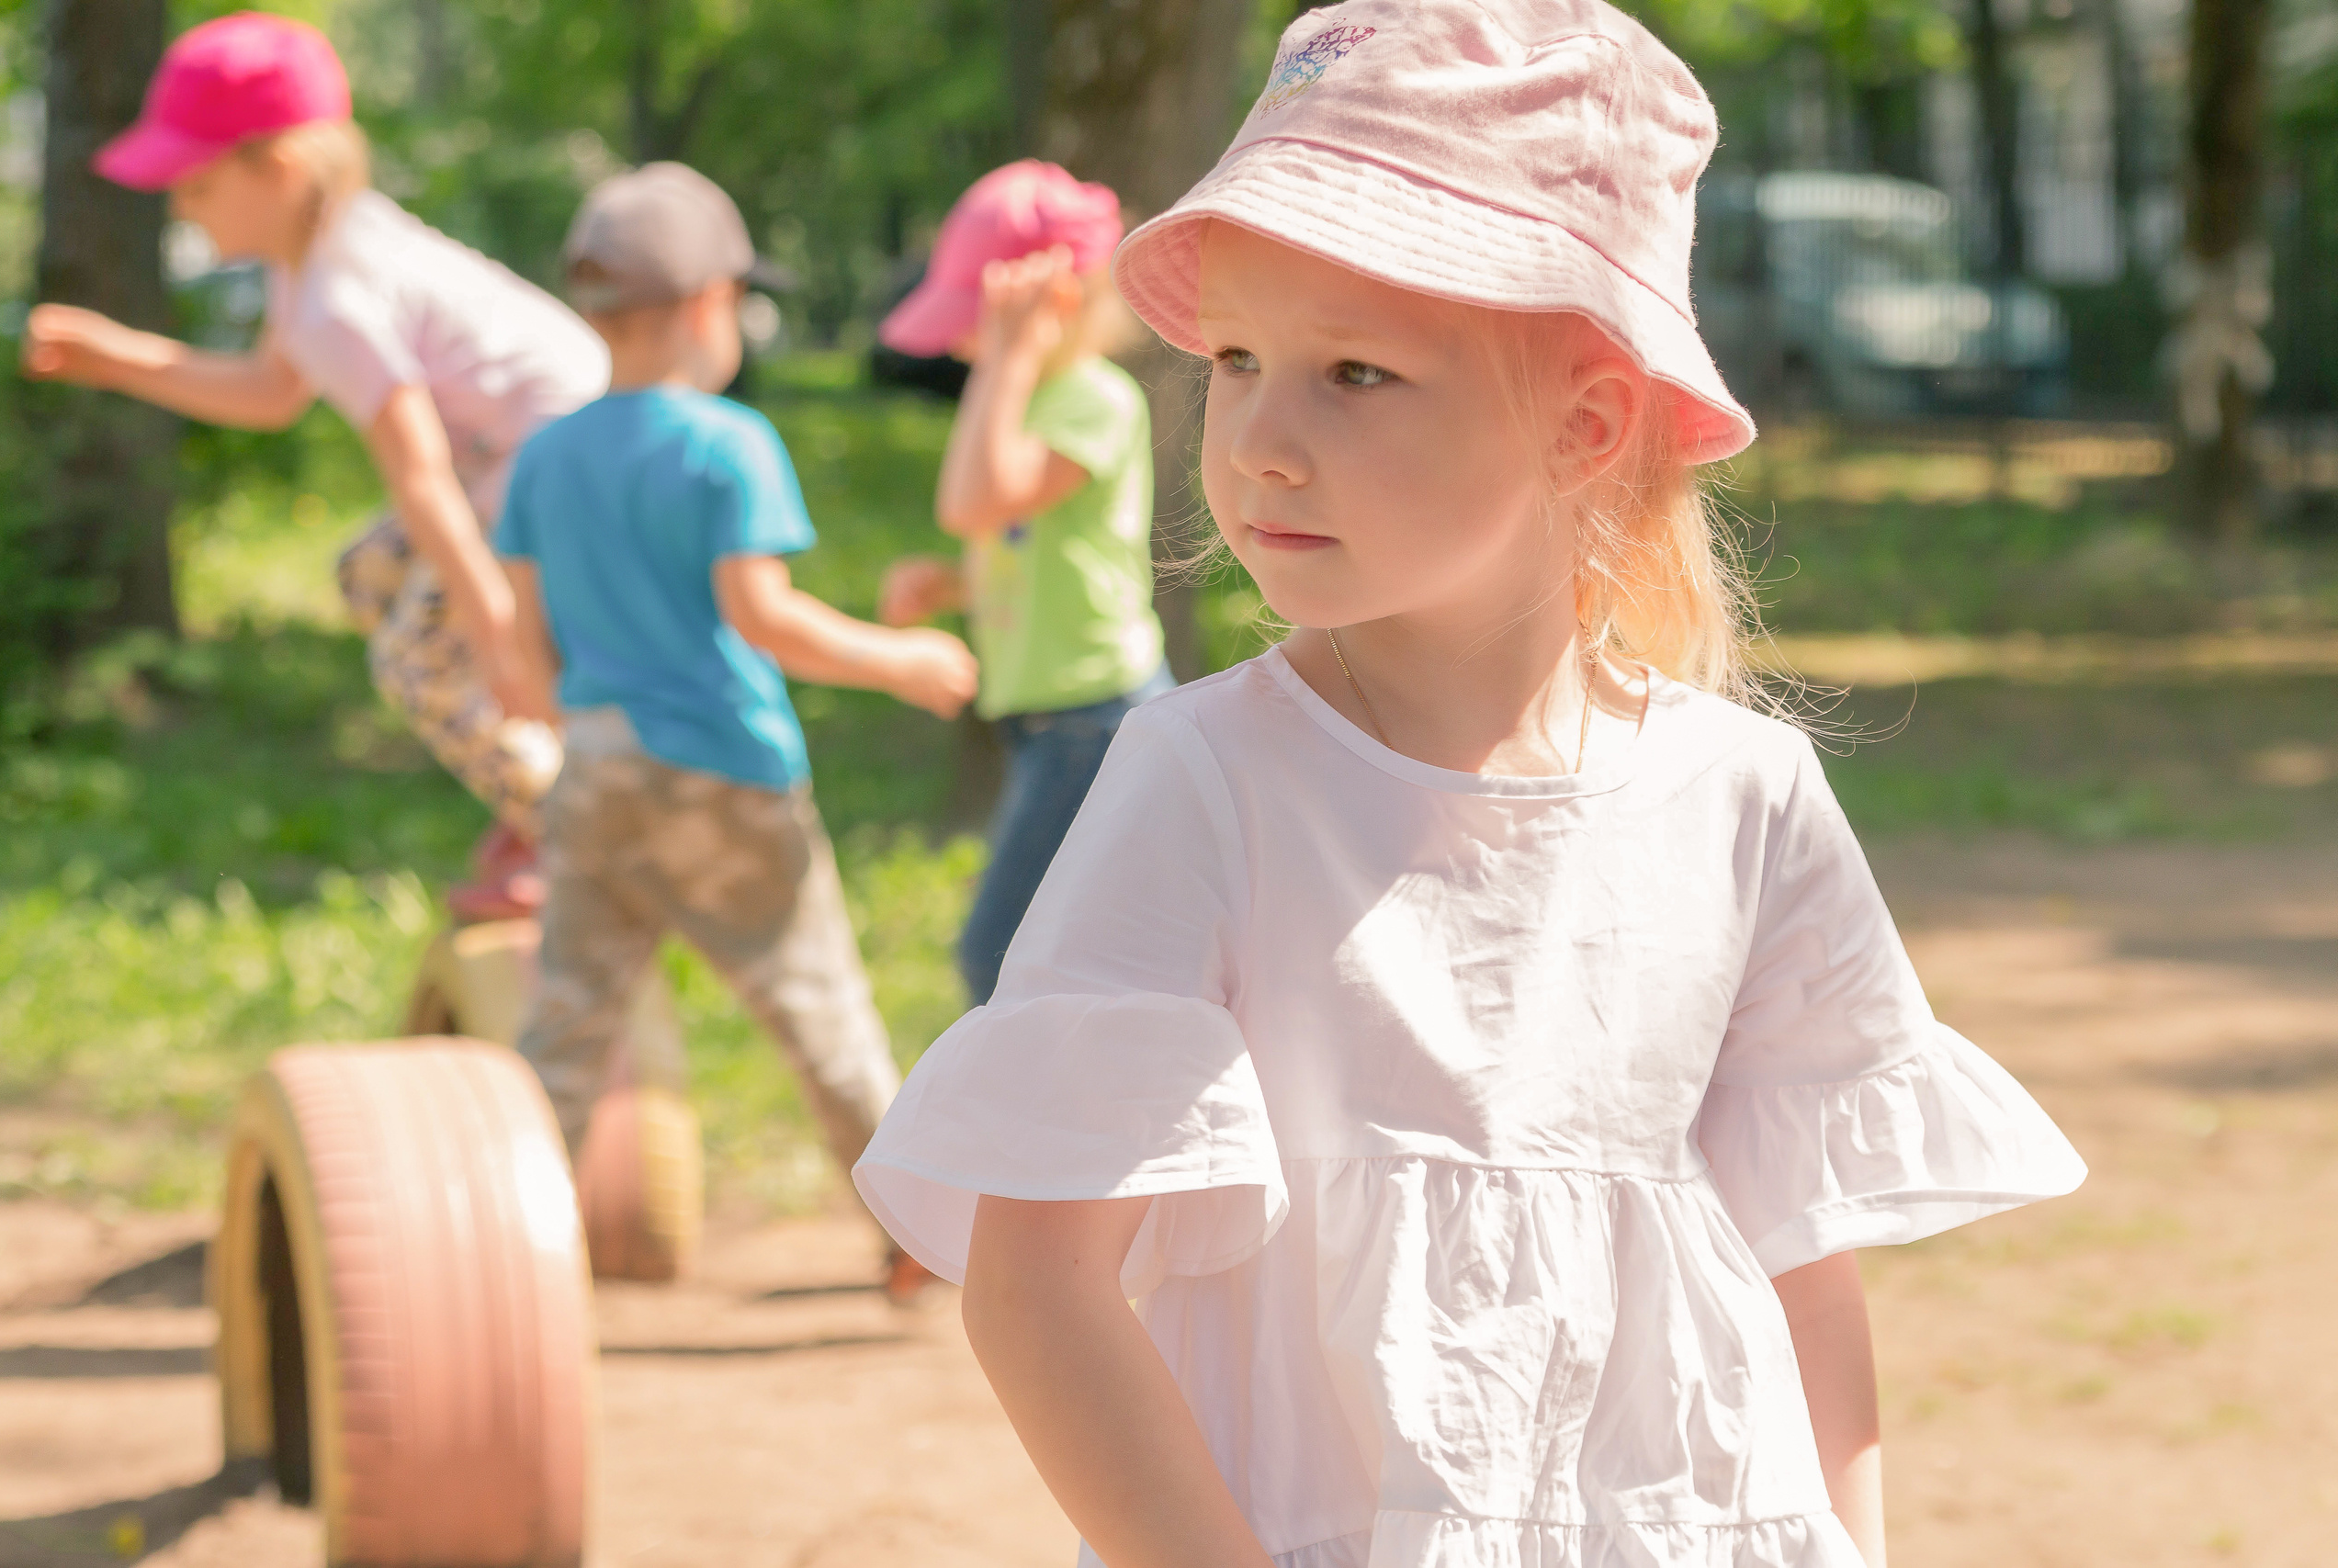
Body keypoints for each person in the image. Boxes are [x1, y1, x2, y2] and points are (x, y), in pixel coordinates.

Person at [854, 1, 2089, 1562]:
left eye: (1356, 373)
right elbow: (1040, 1287)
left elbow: (1803, 1266)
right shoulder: (1209, 776)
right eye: (1237, 360)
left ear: (1583, 424)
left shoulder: (1746, 799)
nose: (1262, 444)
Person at [497, 163, 977, 1304]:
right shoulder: (727, 443)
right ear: (712, 306)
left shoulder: (546, 456)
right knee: (817, 1008)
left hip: (598, 765)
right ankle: (916, 1234)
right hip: (721, 771)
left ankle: (501, 1260)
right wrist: (901, 659)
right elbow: (761, 616)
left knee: (564, 1031)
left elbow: (523, 651)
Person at [20, 12, 607, 919]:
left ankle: (579, 833)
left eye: (198, 183)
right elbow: (269, 391)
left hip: (559, 459)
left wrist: (496, 623)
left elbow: (417, 474)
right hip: (524, 454)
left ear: (279, 170)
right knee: (366, 575)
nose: (178, 206)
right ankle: (539, 792)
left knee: (419, 656)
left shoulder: (338, 294)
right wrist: (115, 358)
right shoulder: (317, 259)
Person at [873, 161, 1173, 1007]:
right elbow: (1010, 535)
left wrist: (1007, 358)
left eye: (981, 322)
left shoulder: (1094, 401)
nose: (968, 344)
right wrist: (953, 587)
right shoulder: (1029, 398)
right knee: (1074, 954)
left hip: (1098, 717)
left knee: (995, 956)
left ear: (1056, 306)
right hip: (1050, 723)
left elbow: (972, 501)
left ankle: (1041, 1126)